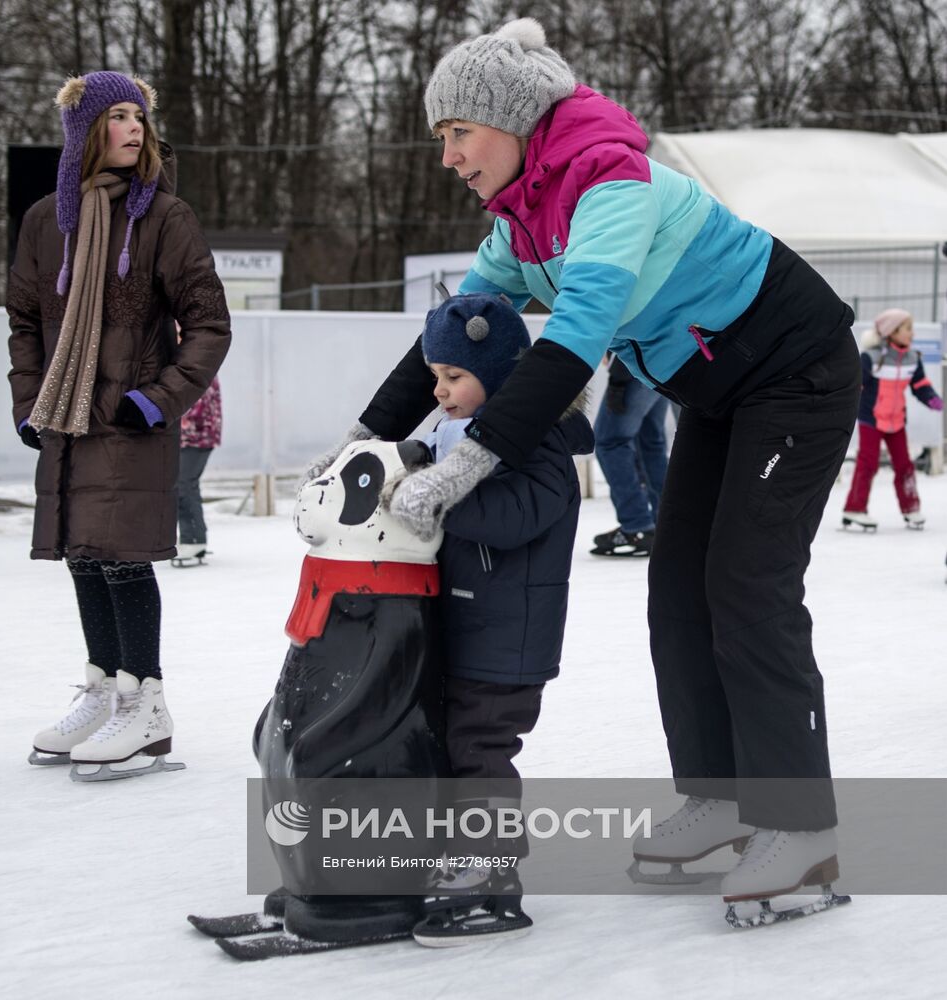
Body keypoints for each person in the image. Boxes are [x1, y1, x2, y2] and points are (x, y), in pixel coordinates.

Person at [304, 17, 861, 914]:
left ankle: (800, 827)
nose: (446, 156)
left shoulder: (610, 182)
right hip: (720, 393)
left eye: (458, 133)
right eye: (439, 137)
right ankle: (719, 795)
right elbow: (456, 329)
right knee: (677, 588)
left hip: (798, 371)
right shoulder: (524, 216)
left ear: (514, 124)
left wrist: (472, 461)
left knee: (748, 588)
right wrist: (364, 437)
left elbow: (574, 339)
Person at [7, 71, 230, 774]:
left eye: (140, 116)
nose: (135, 129)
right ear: (86, 130)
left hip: (130, 415)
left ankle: (147, 703)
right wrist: (27, 402)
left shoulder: (165, 217)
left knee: (123, 557)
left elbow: (208, 323)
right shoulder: (47, 221)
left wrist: (158, 398)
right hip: (65, 416)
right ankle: (105, 691)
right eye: (118, 116)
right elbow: (21, 322)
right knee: (82, 553)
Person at [408, 293, 592, 945]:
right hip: (470, 631)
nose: (441, 390)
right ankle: (458, 855)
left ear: (501, 375)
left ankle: (492, 882)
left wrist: (437, 497)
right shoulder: (462, 437)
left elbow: (509, 519)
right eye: (435, 377)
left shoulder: (539, 441)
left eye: (454, 376)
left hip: (507, 644)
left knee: (480, 753)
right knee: (454, 749)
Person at [840, 308, 942, 531]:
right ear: (891, 331)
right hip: (871, 418)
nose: (911, 334)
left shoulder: (913, 358)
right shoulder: (872, 357)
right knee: (868, 462)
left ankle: (911, 507)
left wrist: (934, 400)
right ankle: (854, 509)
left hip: (896, 421)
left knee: (905, 464)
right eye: (907, 329)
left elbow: (920, 385)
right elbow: (856, 384)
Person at [590, 356, 670, 556]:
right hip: (663, 366)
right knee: (650, 444)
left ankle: (637, 525)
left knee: (610, 441)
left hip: (635, 368)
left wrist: (618, 378)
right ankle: (665, 524)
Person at [174, 376, 222, 565]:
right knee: (185, 485)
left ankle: (193, 539)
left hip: (198, 436)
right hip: (188, 437)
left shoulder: (198, 364)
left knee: (184, 485)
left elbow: (195, 404)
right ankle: (193, 538)